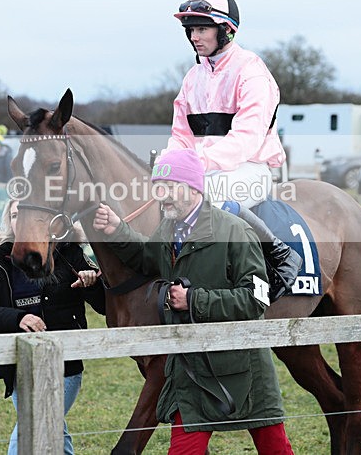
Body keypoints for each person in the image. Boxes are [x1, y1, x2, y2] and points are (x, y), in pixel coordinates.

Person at [93, 149, 294, 455]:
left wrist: (194, 300)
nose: (162, 196)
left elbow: (257, 298)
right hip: (190, 371)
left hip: (244, 371)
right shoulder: (169, 230)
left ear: (193, 187)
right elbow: (148, 258)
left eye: (170, 187)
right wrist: (117, 230)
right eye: (158, 188)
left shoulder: (236, 231)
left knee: (276, 451)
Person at [165, 0, 300, 299]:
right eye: (190, 30)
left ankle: (280, 256)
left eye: (201, 29)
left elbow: (245, 140)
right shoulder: (192, 78)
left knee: (204, 197)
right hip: (203, 171)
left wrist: (195, 165)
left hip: (251, 168)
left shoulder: (252, 72)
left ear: (225, 30)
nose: (194, 37)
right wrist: (171, 166)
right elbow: (180, 136)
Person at [0, 199, 106, 455]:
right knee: (52, 429)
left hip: (63, 366)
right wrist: (18, 318)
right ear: (8, 222)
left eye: (27, 214)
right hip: (18, 366)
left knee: (31, 427)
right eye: (14, 215)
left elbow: (106, 307)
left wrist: (93, 284)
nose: (21, 221)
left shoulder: (68, 253)